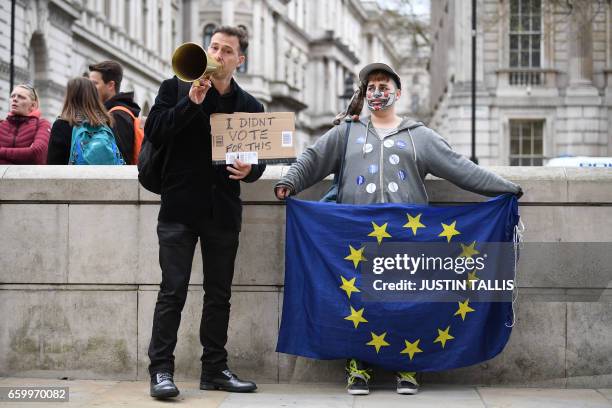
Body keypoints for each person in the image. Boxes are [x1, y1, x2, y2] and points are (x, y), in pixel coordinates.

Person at [274, 63, 523, 396]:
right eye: (371, 87)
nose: (377, 92)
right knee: (356, 302)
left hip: (408, 238)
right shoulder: (347, 132)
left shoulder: (419, 136)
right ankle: (357, 367)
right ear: (364, 94)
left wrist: (505, 188)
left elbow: (461, 168)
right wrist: (289, 181)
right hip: (356, 236)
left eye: (384, 85)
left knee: (406, 303)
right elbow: (313, 158)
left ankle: (408, 366)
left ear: (398, 92)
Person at [145, 26, 265, 399]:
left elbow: (258, 160)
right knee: (172, 291)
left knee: (219, 295)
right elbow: (155, 131)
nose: (217, 54)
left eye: (226, 50)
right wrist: (190, 102)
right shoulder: (175, 88)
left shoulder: (251, 106)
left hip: (222, 212)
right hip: (179, 208)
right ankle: (161, 371)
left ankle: (214, 369)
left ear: (239, 60)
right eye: (213, 46)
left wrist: (251, 170)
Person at [47, 77, 119, 164]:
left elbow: (54, 164)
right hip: (104, 176)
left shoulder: (62, 124)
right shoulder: (106, 123)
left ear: (70, 97)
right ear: (94, 97)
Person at [89, 60, 142, 164]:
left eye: (94, 84)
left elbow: (121, 160)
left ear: (110, 85)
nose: (90, 88)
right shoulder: (116, 113)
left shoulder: (117, 116)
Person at [0, 84, 51, 164]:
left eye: (21, 97)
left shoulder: (42, 124)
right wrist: (25, 154)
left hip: (29, 176)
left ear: (33, 105)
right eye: (13, 96)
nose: (15, 99)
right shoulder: (1, 125)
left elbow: (37, 153)